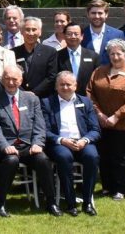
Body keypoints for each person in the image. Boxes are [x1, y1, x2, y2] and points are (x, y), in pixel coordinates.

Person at [0, 65, 60, 217]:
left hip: (28, 146)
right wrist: (5, 146)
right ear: (2, 80)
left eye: (15, 79)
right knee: (11, 161)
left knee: (43, 159)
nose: (11, 82)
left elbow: (40, 125)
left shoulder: (32, 98)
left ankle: (51, 202)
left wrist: (38, 143)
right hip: (7, 147)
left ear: (21, 80)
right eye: (7, 78)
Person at [42, 71, 100, 216]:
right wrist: (62, 140)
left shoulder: (85, 102)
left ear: (75, 86)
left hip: (82, 142)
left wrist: (84, 140)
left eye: (69, 84)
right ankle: (71, 203)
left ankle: (87, 203)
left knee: (92, 156)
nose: (65, 87)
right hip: (59, 143)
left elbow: (95, 129)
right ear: (56, 86)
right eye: (62, 84)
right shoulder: (47, 103)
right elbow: (44, 130)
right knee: (64, 157)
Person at [86, 38, 125, 200]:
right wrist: (99, 114)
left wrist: (116, 116)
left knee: (119, 157)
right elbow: (90, 93)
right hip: (101, 122)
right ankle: (106, 186)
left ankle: (119, 189)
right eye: (112, 53)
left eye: (119, 53)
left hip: (123, 124)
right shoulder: (99, 72)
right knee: (103, 155)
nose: (115, 57)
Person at [13, 17, 58, 98]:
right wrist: (23, 93)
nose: (31, 33)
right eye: (27, 29)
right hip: (19, 97)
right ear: (21, 32)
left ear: (40, 32)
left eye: (34, 29)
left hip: (44, 98)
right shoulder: (13, 53)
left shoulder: (50, 52)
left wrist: (34, 93)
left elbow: (51, 76)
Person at [57, 23, 100, 95]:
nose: (73, 36)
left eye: (76, 34)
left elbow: (97, 80)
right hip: (63, 97)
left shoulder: (93, 56)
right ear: (64, 36)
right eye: (69, 34)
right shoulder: (57, 56)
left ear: (82, 36)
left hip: (87, 98)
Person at [82, 0, 125, 65]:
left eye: (100, 13)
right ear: (88, 14)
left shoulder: (117, 34)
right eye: (93, 13)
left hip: (111, 74)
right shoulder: (81, 35)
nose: (97, 16)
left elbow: (124, 59)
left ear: (106, 14)